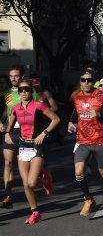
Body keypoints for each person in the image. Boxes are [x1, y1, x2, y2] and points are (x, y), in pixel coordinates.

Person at [3, 80, 60, 224]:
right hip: (23, 146)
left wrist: (44, 133)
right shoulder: (15, 108)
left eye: (27, 89)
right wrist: (7, 134)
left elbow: (56, 119)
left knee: (32, 183)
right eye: (21, 90)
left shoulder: (39, 105)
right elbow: (10, 124)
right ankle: (35, 212)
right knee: (26, 185)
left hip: (36, 146)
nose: (23, 92)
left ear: (31, 91)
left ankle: (45, 179)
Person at [0, 66, 52, 209]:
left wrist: (43, 132)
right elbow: (7, 110)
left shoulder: (31, 92)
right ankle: (8, 196)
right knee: (8, 163)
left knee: (29, 177)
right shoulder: (7, 93)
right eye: (11, 76)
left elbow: (42, 109)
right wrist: (2, 122)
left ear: (22, 77)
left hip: (28, 133)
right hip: (12, 133)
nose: (13, 79)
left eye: (16, 76)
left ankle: (41, 177)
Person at [68, 71, 103, 217]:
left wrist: (101, 115)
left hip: (99, 140)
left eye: (89, 80)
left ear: (93, 82)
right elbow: (76, 111)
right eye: (83, 80)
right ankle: (88, 199)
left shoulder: (102, 96)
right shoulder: (77, 96)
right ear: (80, 81)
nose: (86, 82)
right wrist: (71, 121)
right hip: (82, 140)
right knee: (78, 172)